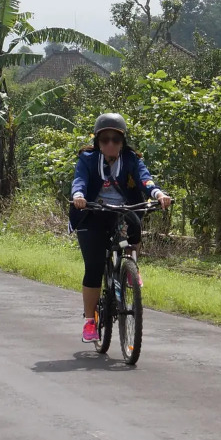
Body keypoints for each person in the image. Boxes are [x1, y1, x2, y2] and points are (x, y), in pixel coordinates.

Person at [69, 114, 171, 343]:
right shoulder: (87, 159)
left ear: (123, 142)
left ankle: (130, 269)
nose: (111, 144)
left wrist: (159, 194)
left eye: (116, 139)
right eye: (105, 139)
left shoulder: (131, 159)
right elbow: (80, 181)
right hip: (92, 213)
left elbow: (145, 180)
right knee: (94, 267)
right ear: (98, 142)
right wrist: (78, 196)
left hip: (122, 212)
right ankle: (89, 321)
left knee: (132, 227)